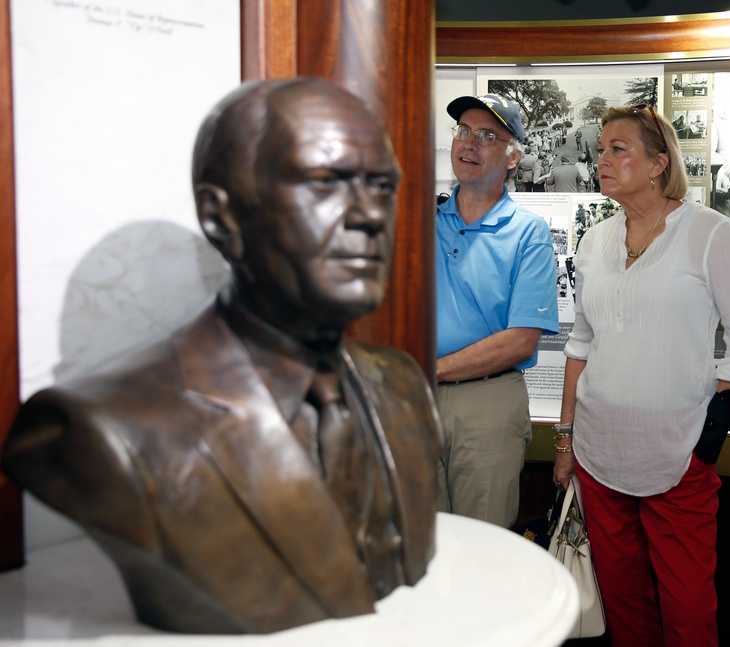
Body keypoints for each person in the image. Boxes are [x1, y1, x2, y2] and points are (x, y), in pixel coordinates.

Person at [1, 78, 442, 634]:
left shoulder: (402, 386)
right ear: (220, 217)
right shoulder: (102, 430)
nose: (369, 215)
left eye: (382, 185)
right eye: (324, 182)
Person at [553, 104, 730, 646]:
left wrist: (705, 446)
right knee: (624, 606)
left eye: (617, 149)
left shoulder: (712, 235)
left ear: (657, 163)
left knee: (689, 612)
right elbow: (581, 344)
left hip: (678, 459)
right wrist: (565, 440)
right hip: (599, 455)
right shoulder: (593, 241)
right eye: (600, 149)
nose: (600, 158)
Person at [436, 94, 559, 528]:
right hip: (412, 399)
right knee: (414, 553)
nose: (469, 144)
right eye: (463, 131)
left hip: (487, 403)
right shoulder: (416, 220)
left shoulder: (528, 234)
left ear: (513, 157)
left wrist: (431, 369)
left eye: (487, 135)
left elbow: (521, 339)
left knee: (479, 553)